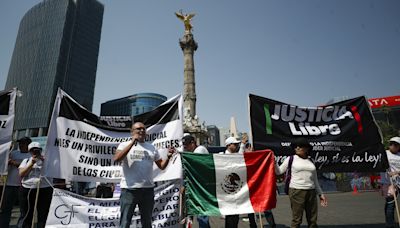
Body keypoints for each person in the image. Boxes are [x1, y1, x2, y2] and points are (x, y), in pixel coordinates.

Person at [113, 122, 174, 228]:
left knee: (147, 223)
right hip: (129, 190)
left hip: (147, 190)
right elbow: (117, 158)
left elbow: (162, 166)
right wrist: (132, 143)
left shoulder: (151, 148)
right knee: (125, 222)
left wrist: (168, 157)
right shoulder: (123, 145)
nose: (141, 131)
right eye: (138, 129)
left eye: (143, 129)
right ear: (132, 132)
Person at [275, 138, 327, 228]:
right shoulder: (291, 159)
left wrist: (321, 194)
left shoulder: (311, 161)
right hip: (296, 191)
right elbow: (279, 171)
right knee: (297, 219)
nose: (297, 148)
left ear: (307, 148)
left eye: (300, 146)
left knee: (312, 220)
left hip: (311, 192)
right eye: (296, 146)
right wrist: (274, 162)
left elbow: (315, 179)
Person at [19, 142, 53, 228]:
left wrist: (43, 161)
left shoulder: (48, 161)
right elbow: (21, 174)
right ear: (29, 152)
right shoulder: (26, 161)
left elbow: (53, 172)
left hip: (44, 188)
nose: (35, 152)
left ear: (41, 150)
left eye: (37, 150)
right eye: (32, 150)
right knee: (26, 213)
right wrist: (31, 164)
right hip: (28, 188)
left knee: (43, 213)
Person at [0, 137, 32, 228]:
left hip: (24, 186)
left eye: (23, 143)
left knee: (24, 210)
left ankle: (21, 226)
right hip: (9, 185)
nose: (21, 145)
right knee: (5, 209)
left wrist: (14, 163)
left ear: (29, 145)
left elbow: (27, 168)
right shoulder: (13, 153)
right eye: (20, 143)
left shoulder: (31, 156)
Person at [180, 134, 210, 228]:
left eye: (187, 145)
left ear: (193, 143)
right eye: (184, 146)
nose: (186, 148)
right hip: (195, 185)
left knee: (201, 214)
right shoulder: (191, 151)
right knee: (191, 213)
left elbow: (194, 169)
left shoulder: (199, 150)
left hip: (201, 187)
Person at [381, 136, 400, 228]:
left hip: (398, 181)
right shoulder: (384, 154)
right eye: (391, 144)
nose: (392, 145)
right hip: (388, 183)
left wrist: (397, 172)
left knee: (391, 204)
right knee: (390, 203)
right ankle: (390, 223)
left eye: (395, 144)